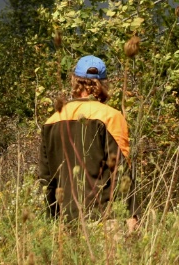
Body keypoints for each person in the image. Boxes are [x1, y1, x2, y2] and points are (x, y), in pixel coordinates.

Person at [39, 55, 138, 230]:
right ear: (103, 84)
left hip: (65, 222)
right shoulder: (111, 117)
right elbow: (121, 170)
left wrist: (52, 221)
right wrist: (131, 215)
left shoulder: (52, 121)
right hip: (106, 220)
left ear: (74, 81)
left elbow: (46, 179)